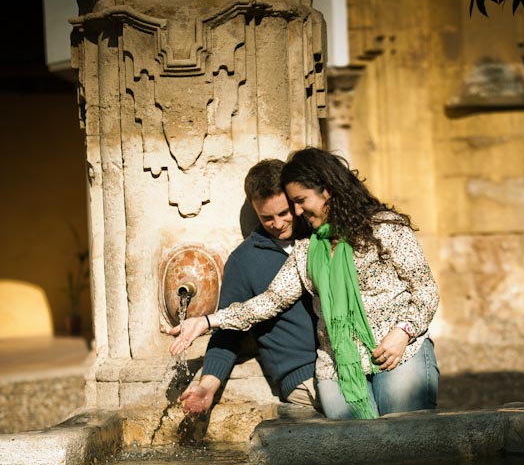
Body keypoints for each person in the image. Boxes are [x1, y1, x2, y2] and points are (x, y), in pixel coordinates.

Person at [168, 147, 440, 420]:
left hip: (397, 352)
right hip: (337, 367)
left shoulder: (385, 228)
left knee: (406, 440)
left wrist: (403, 332)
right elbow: (271, 300)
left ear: (327, 190)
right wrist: (205, 322)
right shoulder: (307, 248)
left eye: (298, 202)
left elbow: (425, 289)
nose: (295, 212)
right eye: (270, 216)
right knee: (358, 451)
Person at [177, 159, 319, 414]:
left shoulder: (318, 236)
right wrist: (207, 386)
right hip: (303, 377)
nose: (278, 224)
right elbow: (228, 331)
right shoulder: (243, 261)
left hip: (343, 362)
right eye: (267, 218)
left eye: (284, 213)